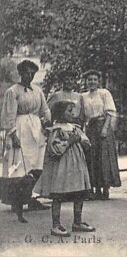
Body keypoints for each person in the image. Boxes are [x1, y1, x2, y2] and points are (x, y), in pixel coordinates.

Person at [33, 100, 94, 237]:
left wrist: (82, 140)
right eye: (69, 111)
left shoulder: (74, 127)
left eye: (73, 111)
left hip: (77, 165)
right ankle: (56, 225)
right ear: (60, 113)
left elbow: (86, 143)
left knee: (80, 192)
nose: (73, 114)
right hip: (62, 166)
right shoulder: (56, 130)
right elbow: (54, 150)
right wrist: (69, 141)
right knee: (58, 194)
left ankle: (77, 222)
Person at [1, 60, 51, 223]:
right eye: (27, 72)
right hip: (20, 129)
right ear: (20, 73)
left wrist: (45, 121)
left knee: (37, 166)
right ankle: (18, 201)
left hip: (36, 129)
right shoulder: (12, 91)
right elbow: (9, 114)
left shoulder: (37, 90)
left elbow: (45, 109)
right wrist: (13, 134)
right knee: (20, 168)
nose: (30, 75)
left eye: (32, 73)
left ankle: (30, 197)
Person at [80, 69, 120, 200]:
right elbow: (81, 116)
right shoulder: (83, 96)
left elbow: (110, 112)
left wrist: (105, 128)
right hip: (90, 128)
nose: (92, 82)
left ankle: (105, 188)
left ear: (98, 81)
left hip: (103, 126)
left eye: (95, 80)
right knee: (92, 157)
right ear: (85, 82)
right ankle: (95, 188)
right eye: (89, 80)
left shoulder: (104, 93)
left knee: (104, 157)